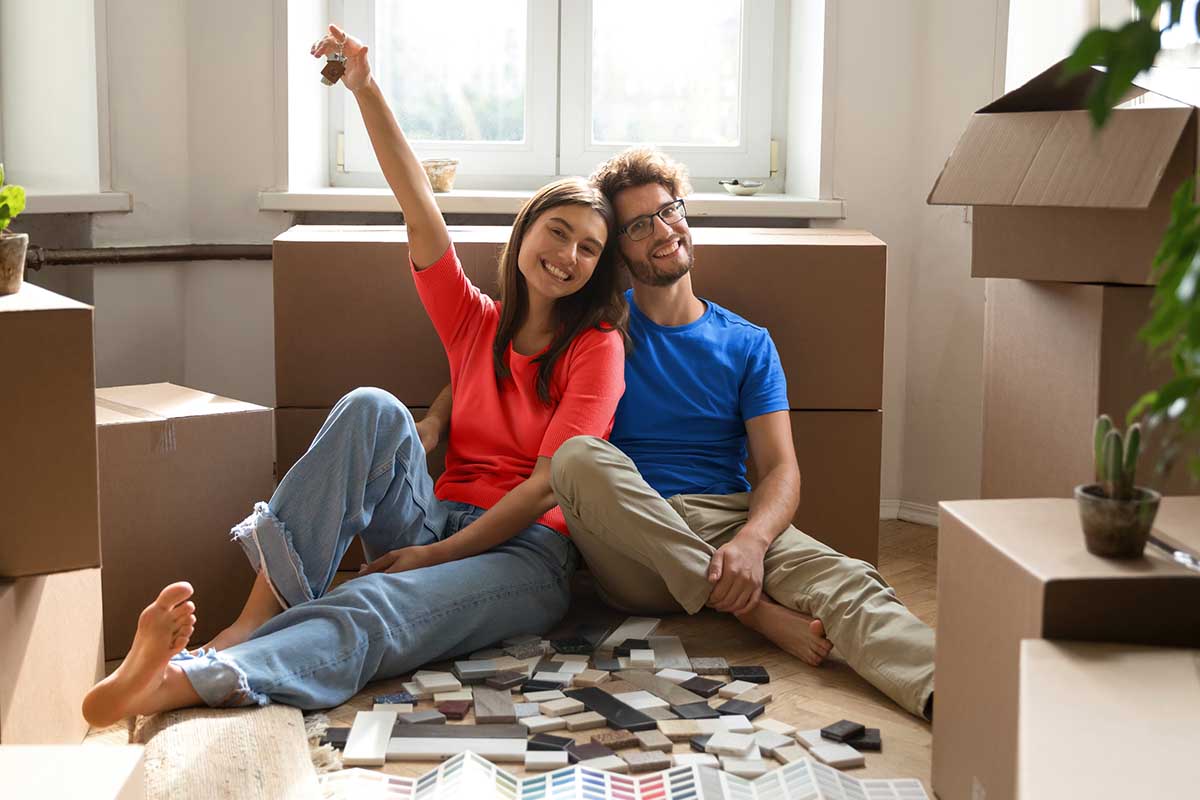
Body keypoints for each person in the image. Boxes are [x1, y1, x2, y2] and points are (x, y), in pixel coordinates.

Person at [81, 23, 627, 727]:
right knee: (372, 405)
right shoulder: (476, 322)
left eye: (589, 248)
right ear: (526, 230)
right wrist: (364, 88)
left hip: (527, 555)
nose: (569, 255)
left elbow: (546, 484)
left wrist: (434, 557)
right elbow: (417, 201)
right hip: (436, 514)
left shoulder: (597, 347)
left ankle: (183, 681)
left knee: (376, 601)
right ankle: (250, 621)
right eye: (559, 231)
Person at [426, 149, 935, 719]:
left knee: (848, 581)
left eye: (670, 212)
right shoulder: (592, 333)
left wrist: (753, 542)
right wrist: (436, 420)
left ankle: (953, 696)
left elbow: (780, 469)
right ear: (617, 251)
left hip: (727, 520)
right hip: (628, 539)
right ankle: (749, 611)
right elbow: (489, 367)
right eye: (639, 226)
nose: (664, 231)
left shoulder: (748, 343)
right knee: (579, 458)